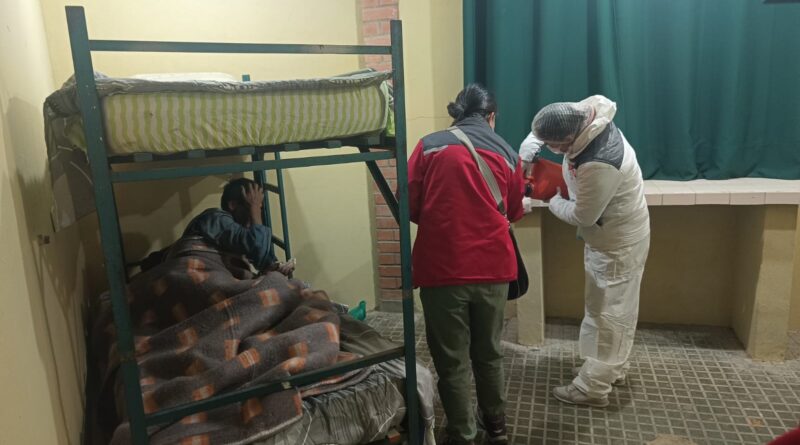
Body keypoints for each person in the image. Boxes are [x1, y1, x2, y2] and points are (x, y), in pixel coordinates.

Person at [407, 84, 525, 445]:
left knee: (452, 359)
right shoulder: (508, 153)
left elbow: (408, 204)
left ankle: (463, 434)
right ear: (492, 116)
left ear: (457, 113)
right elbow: (514, 210)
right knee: (489, 352)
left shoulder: (429, 146)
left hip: (442, 269)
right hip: (494, 270)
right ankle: (497, 427)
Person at [526, 95, 650, 407]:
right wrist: (531, 144)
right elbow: (551, 122)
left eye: (554, 145)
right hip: (613, 238)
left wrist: (553, 200)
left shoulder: (599, 163)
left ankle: (592, 388)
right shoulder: (587, 112)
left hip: (616, 245)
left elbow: (583, 216)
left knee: (609, 313)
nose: (552, 149)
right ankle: (609, 368)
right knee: (611, 308)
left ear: (569, 139)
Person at [183, 177, 295, 275]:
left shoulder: (240, 230)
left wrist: (275, 267)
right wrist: (255, 208)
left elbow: (258, 255)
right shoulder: (215, 218)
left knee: (286, 283)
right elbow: (253, 245)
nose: (256, 213)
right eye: (251, 206)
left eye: (259, 208)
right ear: (233, 205)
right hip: (193, 271)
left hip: (220, 275)